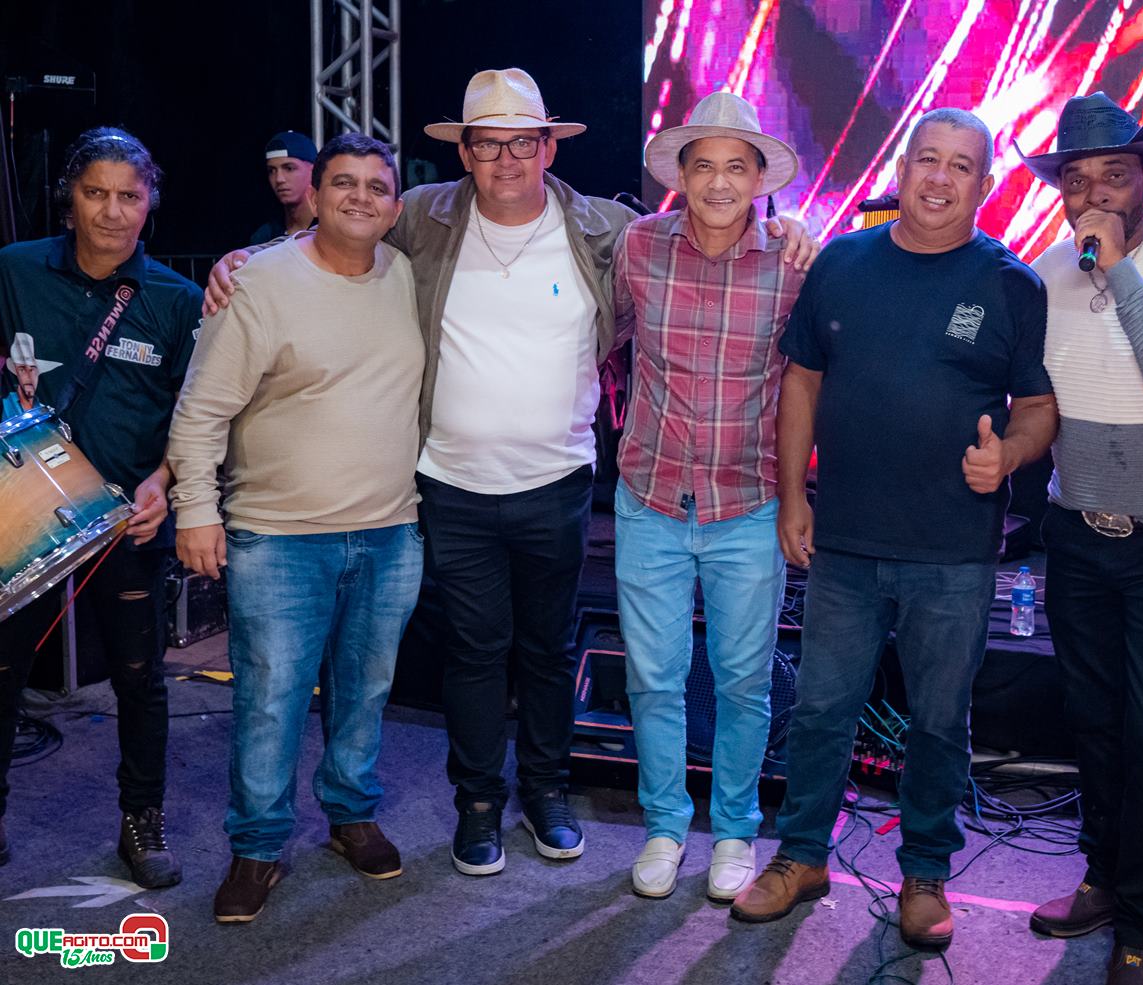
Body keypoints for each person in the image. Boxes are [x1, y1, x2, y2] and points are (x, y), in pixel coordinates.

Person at [202, 68, 816, 877]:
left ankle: (551, 795)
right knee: (476, 653)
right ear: (464, 153)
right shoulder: (429, 217)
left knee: (554, 654)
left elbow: (777, 343)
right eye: (487, 145)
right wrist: (255, 257)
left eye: (522, 143)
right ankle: (481, 806)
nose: (505, 160)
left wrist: (794, 228)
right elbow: (344, 228)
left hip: (565, 483)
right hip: (453, 483)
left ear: (548, 147)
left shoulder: (606, 229)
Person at [731, 108, 1058, 952]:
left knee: (939, 722)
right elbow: (802, 382)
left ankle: (925, 872)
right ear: (903, 169)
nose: (939, 178)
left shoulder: (1011, 284)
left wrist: (1011, 454)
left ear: (983, 185)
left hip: (953, 551)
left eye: (960, 166)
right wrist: (793, 497)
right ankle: (801, 856)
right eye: (926, 159)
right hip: (844, 541)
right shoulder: (842, 264)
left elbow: (1037, 407)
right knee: (820, 711)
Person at [169, 133, 424, 923]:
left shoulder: (406, 275)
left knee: (366, 692)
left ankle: (350, 815)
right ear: (314, 195)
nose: (359, 198)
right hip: (278, 537)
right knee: (271, 700)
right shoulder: (259, 281)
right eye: (343, 183)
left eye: (376, 187)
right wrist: (196, 510)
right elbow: (200, 411)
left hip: (390, 531)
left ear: (395, 207)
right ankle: (257, 847)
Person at [1015, 93, 1143, 985]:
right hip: (1076, 535)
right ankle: (1102, 878)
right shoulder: (1047, 272)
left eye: (1114, 174)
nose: (1093, 193)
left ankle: (1141, 925)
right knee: (1093, 722)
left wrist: (1122, 270)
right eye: (1076, 178)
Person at [612, 91, 805, 901]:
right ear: (680, 176)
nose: (718, 182)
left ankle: (734, 833)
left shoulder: (795, 263)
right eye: (703, 166)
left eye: (735, 166)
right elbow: (603, 336)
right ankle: (663, 826)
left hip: (748, 503)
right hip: (650, 496)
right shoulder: (637, 247)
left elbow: (812, 381)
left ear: (759, 178)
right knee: (653, 679)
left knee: (743, 683)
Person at [0, 126, 202, 885]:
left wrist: (166, 482)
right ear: (70, 198)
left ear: (150, 202)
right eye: (96, 194)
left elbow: (199, 413)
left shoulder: (177, 299)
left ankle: (142, 822)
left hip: (127, 519)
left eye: (129, 195)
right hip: (25, 515)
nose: (113, 212)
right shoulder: (15, 270)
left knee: (139, 679)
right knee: (3, 673)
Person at [249, 131, 317, 244]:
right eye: (272, 171)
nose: (279, 179)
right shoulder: (265, 237)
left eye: (289, 168)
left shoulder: (330, 230)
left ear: (314, 171)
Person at [2, 333, 62, 416]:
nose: (28, 376)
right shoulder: (6, 402)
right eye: (22, 370)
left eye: (32, 370)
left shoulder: (46, 404)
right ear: (16, 373)